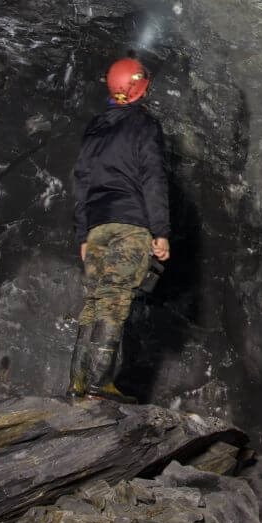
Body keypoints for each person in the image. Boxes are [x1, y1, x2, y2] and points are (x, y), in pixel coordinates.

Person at [67, 57, 171, 402]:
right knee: (114, 300)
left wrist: (84, 233)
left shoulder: (96, 127)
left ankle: (78, 385)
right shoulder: (145, 125)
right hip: (131, 226)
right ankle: (98, 386)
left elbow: (80, 179)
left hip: (97, 226)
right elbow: (153, 178)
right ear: (140, 88)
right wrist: (160, 230)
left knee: (93, 301)